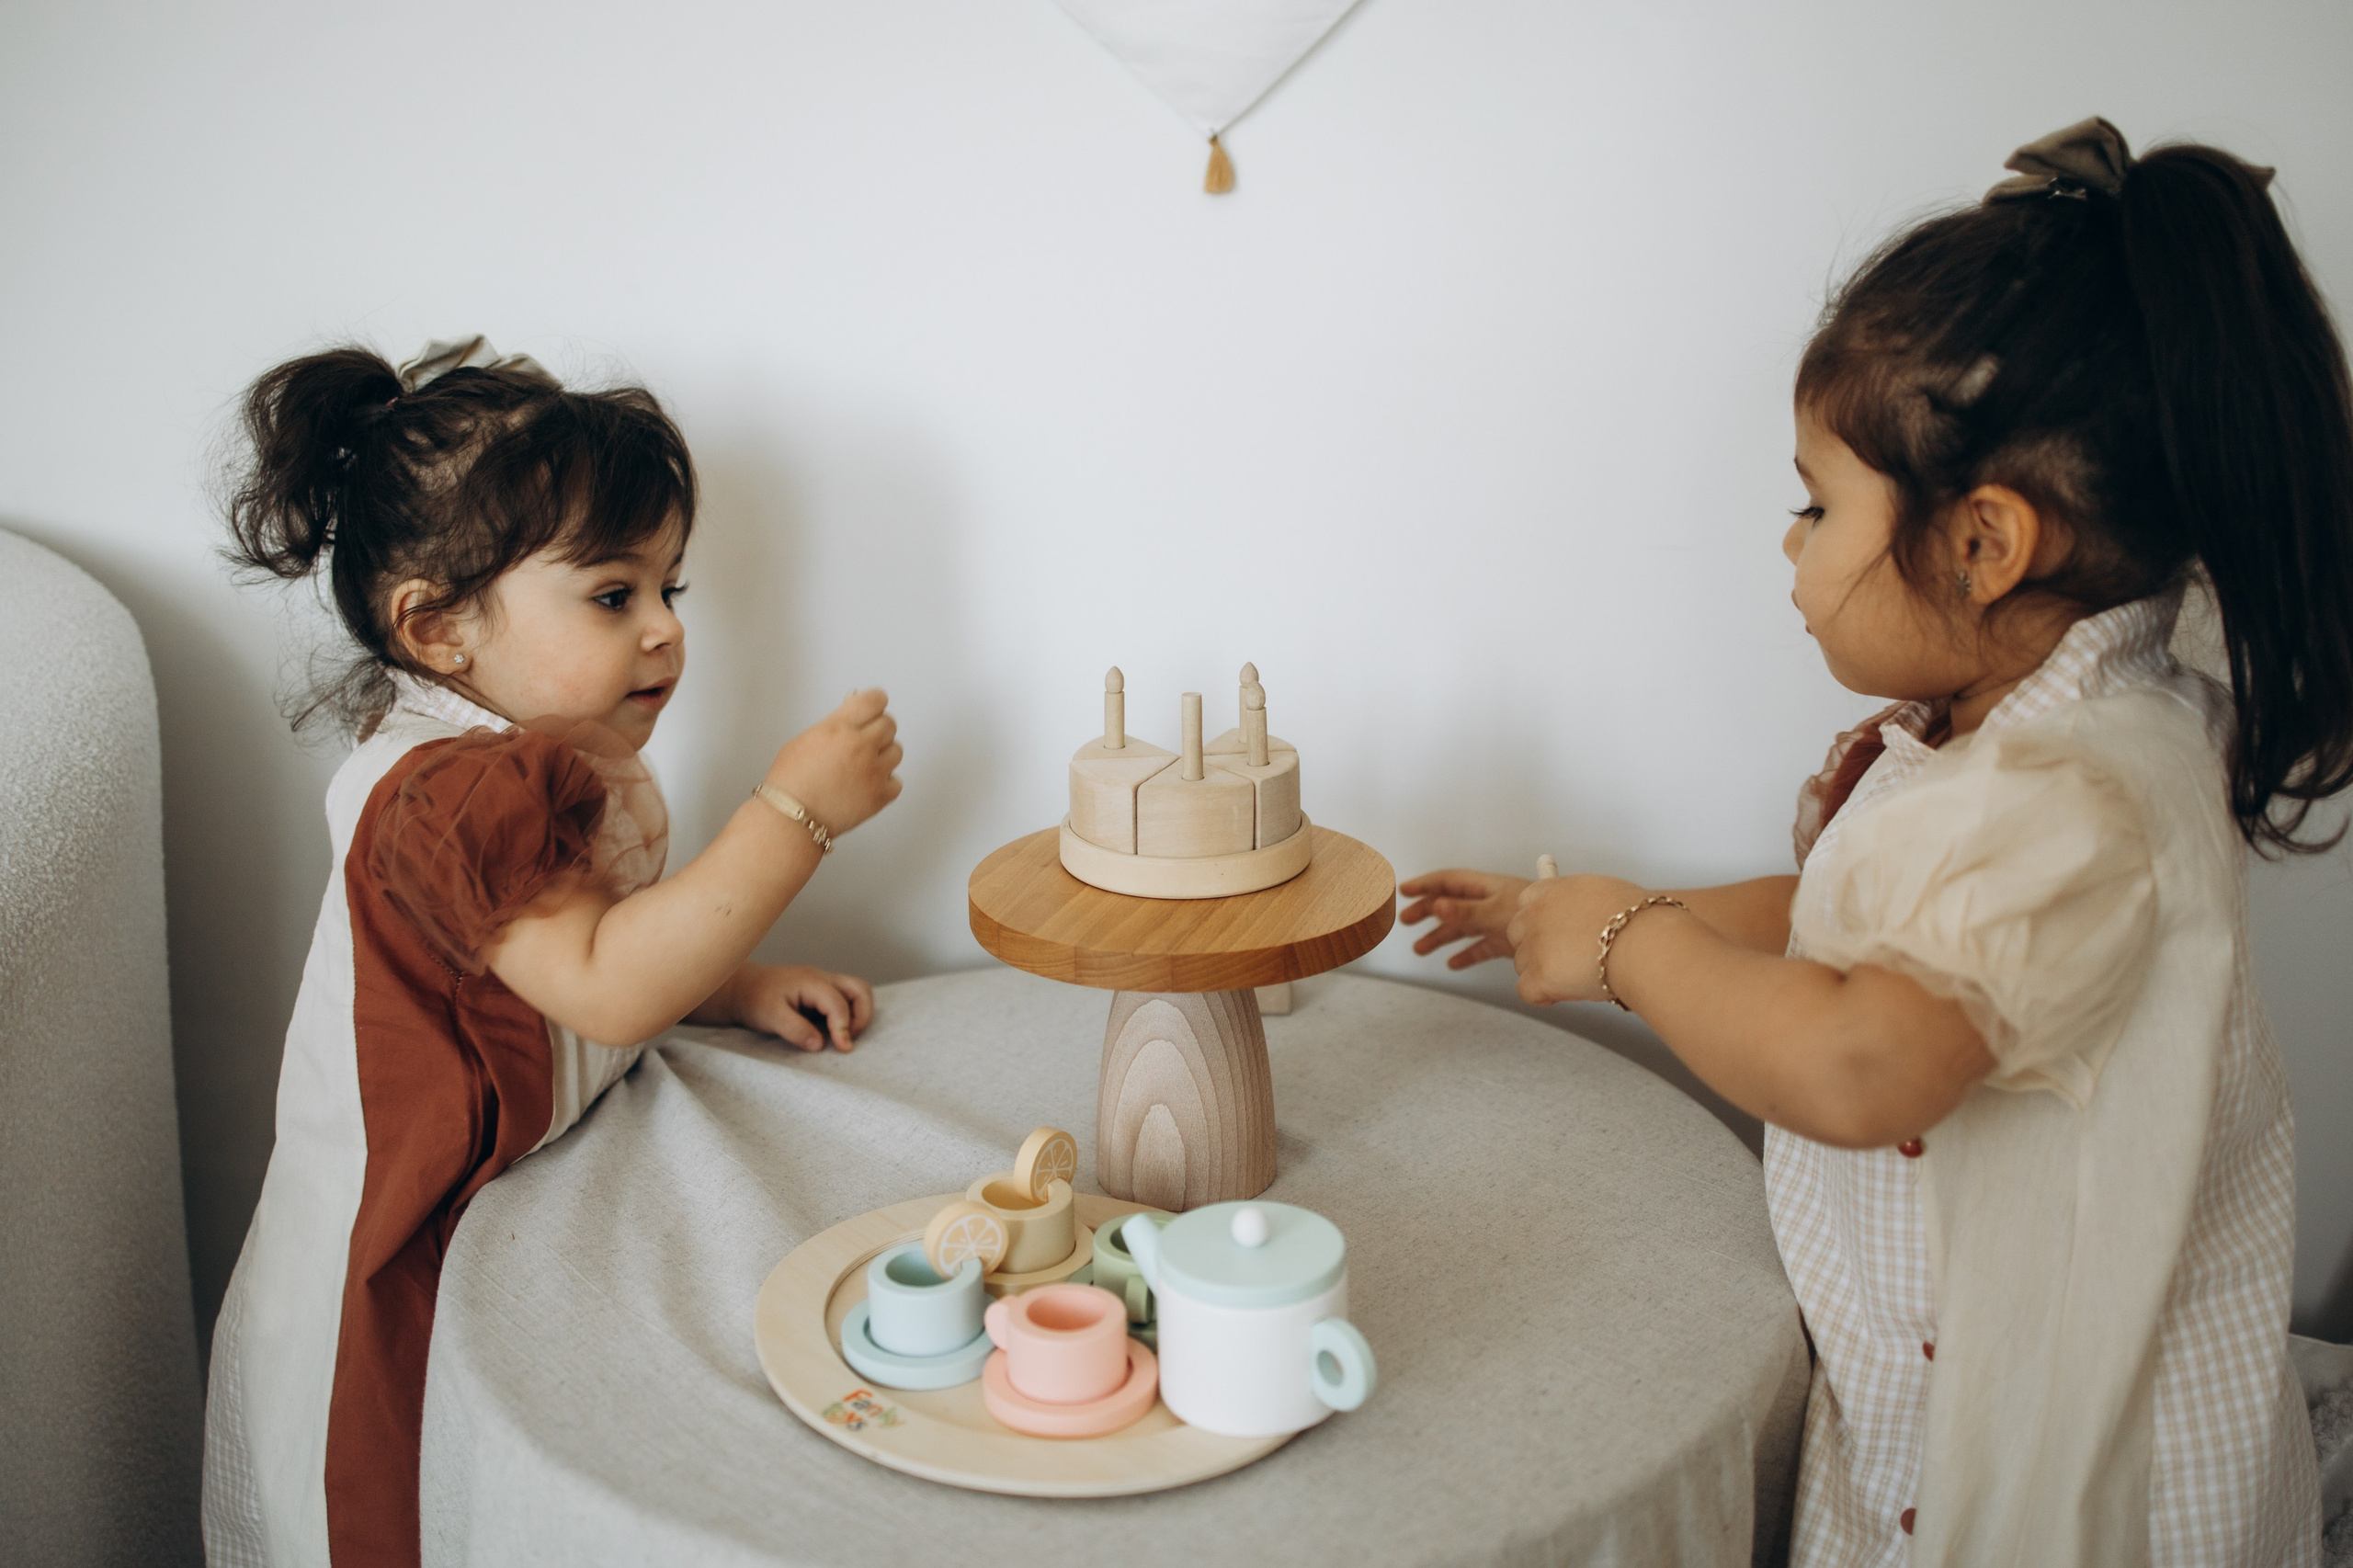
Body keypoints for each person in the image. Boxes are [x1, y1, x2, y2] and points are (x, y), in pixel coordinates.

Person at [1403, 119, 2342, 1565]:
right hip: (1922, 1405)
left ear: (1984, 542)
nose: (1790, 544)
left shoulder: (2092, 796)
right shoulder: (1999, 730)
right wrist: (1606, 916)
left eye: (1816, 501)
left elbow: (1863, 1057)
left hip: (2084, 1479)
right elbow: (1847, 913)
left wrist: (1626, 942)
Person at [199, 337, 904, 1568]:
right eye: (612, 594)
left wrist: (729, 985)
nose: (664, 634)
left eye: (671, 590)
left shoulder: (512, 750)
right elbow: (605, 980)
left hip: (523, 1189)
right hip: (412, 1250)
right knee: (410, 1502)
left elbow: (552, 971)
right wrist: (793, 817)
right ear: (438, 626)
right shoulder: (451, 790)